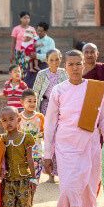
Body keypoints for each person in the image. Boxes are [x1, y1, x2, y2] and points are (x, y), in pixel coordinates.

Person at [44, 50, 104, 207]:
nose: (75, 68)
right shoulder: (58, 90)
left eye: (78, 64)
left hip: (90, 146)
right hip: (65, 146)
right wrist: (46, 155)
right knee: (68, 188)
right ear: (64, 67)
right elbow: (50, 124)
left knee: (88, 189)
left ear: (83, 65)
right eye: (71, 64)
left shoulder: (93, 89)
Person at [0, 106, 38, 207]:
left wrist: (34, 178)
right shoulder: (1, 139)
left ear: (19, 120)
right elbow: (0, 159)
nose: (8, 122)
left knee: (22, 206)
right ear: (1, 123)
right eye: (5, 120)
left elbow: (30, 159)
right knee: (9, 206)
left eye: (11, 119)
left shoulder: (26, 137)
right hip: (8, 179)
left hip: (24, 179)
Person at [32, 49, 69, 183]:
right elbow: (35, 93)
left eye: (57, 59)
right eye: (51, 60)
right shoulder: (42, 74)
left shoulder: (65, 73)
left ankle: (63, 173)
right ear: (46, 60)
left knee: (62, 139)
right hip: (46, 108)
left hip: (62, 109)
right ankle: (50, 174)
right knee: (49, 139)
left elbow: (69, 91)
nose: (54, 62)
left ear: (60, 59)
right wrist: (36, 114)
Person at [18, 89, 45, 182]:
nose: (32, 104)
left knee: (35, 178)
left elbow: (44, 132)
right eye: (29, 101)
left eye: (35, 101)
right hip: (23, 153)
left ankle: (32, 196)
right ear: (22, 102)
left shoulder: (40, 117)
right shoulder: (18, 118)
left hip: (37, 152)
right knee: (24, 176)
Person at [23, 21, 56, 88]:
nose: (39, 33)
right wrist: (29, 55)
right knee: (28, 85)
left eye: (41, 31)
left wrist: (37, 56)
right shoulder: (33, 39)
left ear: (46, 31)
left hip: (43, 65)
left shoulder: (50, 41)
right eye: (38, 31)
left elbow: (50, 56)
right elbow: (27, 49)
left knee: (43, 86)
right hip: (32, 65)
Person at [10, 11, 35, 80]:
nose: (26, 20)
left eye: (28, 18)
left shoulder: (31, 29)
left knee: (28, 67)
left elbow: (35, 40)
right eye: (24, 18)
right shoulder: (16, 29)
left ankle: (27, 83)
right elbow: (13, 42)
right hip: (19, 51)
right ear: (20, 19)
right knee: (20, 67)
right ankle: (21, 83)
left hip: (29, 52)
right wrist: (12, 54)